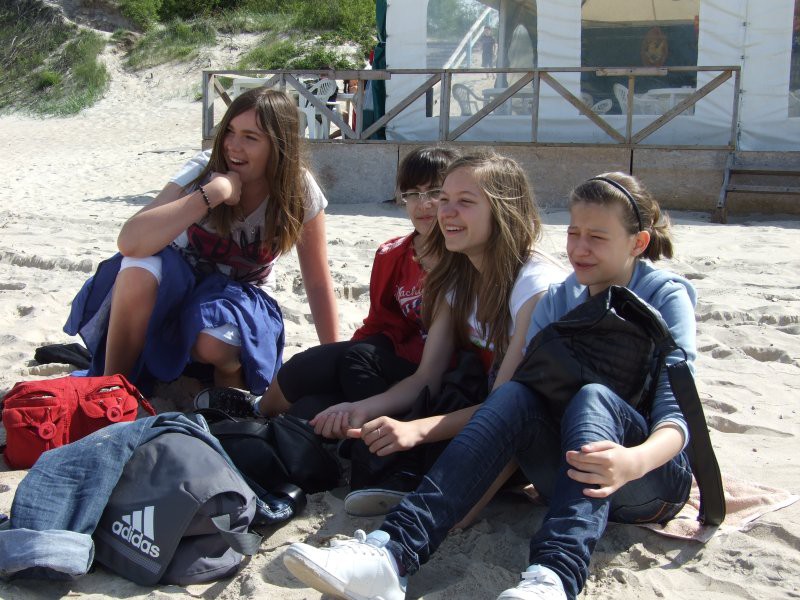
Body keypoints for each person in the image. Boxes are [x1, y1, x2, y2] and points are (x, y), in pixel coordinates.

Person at [281, 172, 696, 600]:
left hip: (648, 477)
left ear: (638, 243)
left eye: (597, 237)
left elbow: (677, 415)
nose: (579, 249)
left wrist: (632, 461)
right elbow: (516, 410)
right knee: (515, 392)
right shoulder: (561, 298)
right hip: (568, 467)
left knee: (593, 397)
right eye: (573, 233)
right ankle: (392, 552)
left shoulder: (664, 296)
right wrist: (468, 501)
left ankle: (554, 578)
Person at [306, 152, 564, 508]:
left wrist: (415, 431)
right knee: (326, 398)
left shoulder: (536, 288)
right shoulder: (457, 275)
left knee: (427, 457)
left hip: (542, 435)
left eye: (465, 202)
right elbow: (426, 377)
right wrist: (361, 408)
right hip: (489, 408)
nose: (445, 212)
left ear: (504, 210)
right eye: (444, 199)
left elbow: (505, 410)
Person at [64, 88, 338, 396]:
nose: (233, 146)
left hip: (237, 298)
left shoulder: (298, 190)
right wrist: (213, 194)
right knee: (138, 268)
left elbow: (317, 282)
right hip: (177, 289)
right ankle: (110, 389)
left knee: (215, 342)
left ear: (279, 146)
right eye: (229, 131)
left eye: (250, 137)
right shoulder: (204, 170)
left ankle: (226, 384)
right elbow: (130, 241)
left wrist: (334, 359)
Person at [197, 146, 459, 420]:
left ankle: (260, 410)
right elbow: (381, 322)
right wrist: (336, 357)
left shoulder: (464, 259)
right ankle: (258, 411)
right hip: (395, 352)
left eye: (434, 192)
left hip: (435, 370)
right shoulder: (392, 255)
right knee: (307, 389)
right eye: (413, 194)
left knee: (347, 363)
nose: (423, 204)